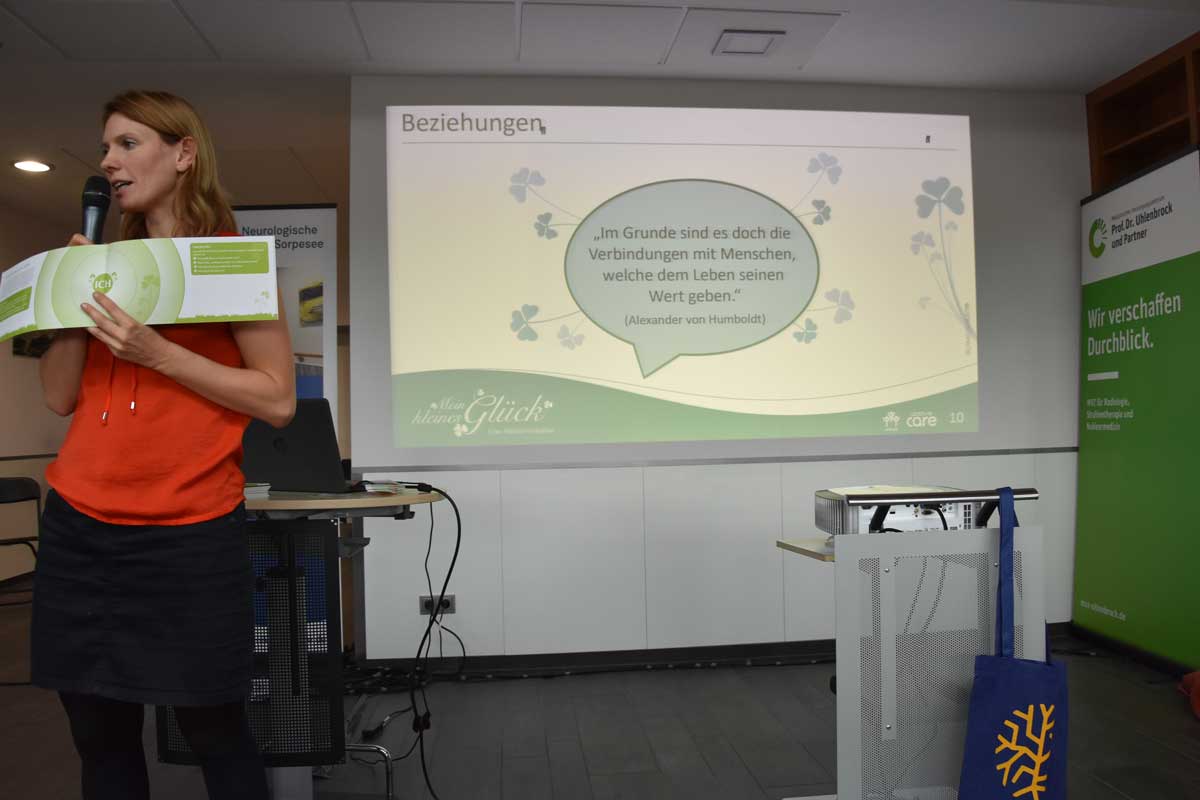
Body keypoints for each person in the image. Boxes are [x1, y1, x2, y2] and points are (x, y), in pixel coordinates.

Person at [31, 90, 295, 800]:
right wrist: (69, 297)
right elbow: (58, 396)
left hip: (188, 533)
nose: (108, 162)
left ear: (184, 154)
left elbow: (276, 399)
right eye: (105, 148)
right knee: (98, 735)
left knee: (214, 730)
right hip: (79, 528)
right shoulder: (103, 264)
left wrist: (158, 353)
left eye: (128, 144)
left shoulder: (231, 264)